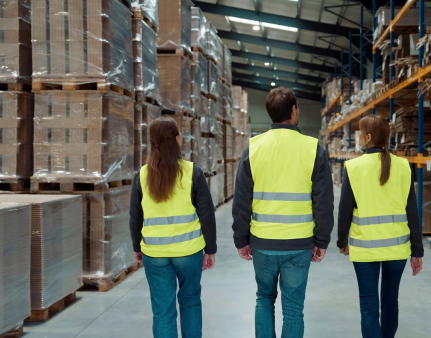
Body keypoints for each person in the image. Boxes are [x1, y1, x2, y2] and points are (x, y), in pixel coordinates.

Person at [232, 87, 334, 338]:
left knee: (264, 298)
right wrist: (322, 240)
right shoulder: (313, 148)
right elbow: (324, 202)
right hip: (299, 244)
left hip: (263, 243)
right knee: (293, 309)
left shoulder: (254, 147)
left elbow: (242, 199)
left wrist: (240, 239)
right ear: (294, 110)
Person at [129, 116, 217, 338]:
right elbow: (207, 214)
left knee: (162, 311)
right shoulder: (192, 172)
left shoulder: (142, 175)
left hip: (155, 254)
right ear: (178, 139)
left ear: (152, 142)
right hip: (189, 251)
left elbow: (135, 216)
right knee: (190, 302)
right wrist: (210, 249)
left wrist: (137, 247)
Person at [337, 115, 424, 338]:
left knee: (368, 307)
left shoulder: (353, 167)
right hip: (397, 249)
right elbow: (411, 211)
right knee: (390, 301)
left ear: (367, 137)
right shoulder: (404, 166)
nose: (357, 136)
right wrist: (417, 251)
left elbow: (345, 209)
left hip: (365, 250)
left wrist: (342, 241)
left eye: (359, 132)